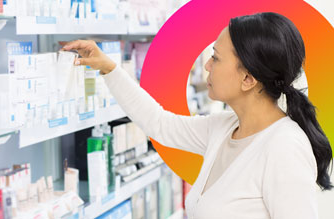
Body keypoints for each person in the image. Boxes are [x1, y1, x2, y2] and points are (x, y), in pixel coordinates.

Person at [61, 12, 333, 219]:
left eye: (216, 58)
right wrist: (109, 67)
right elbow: (160, 123)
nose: (207, 65)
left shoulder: (284, 148)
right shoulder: (225, 128)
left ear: (248, 78)